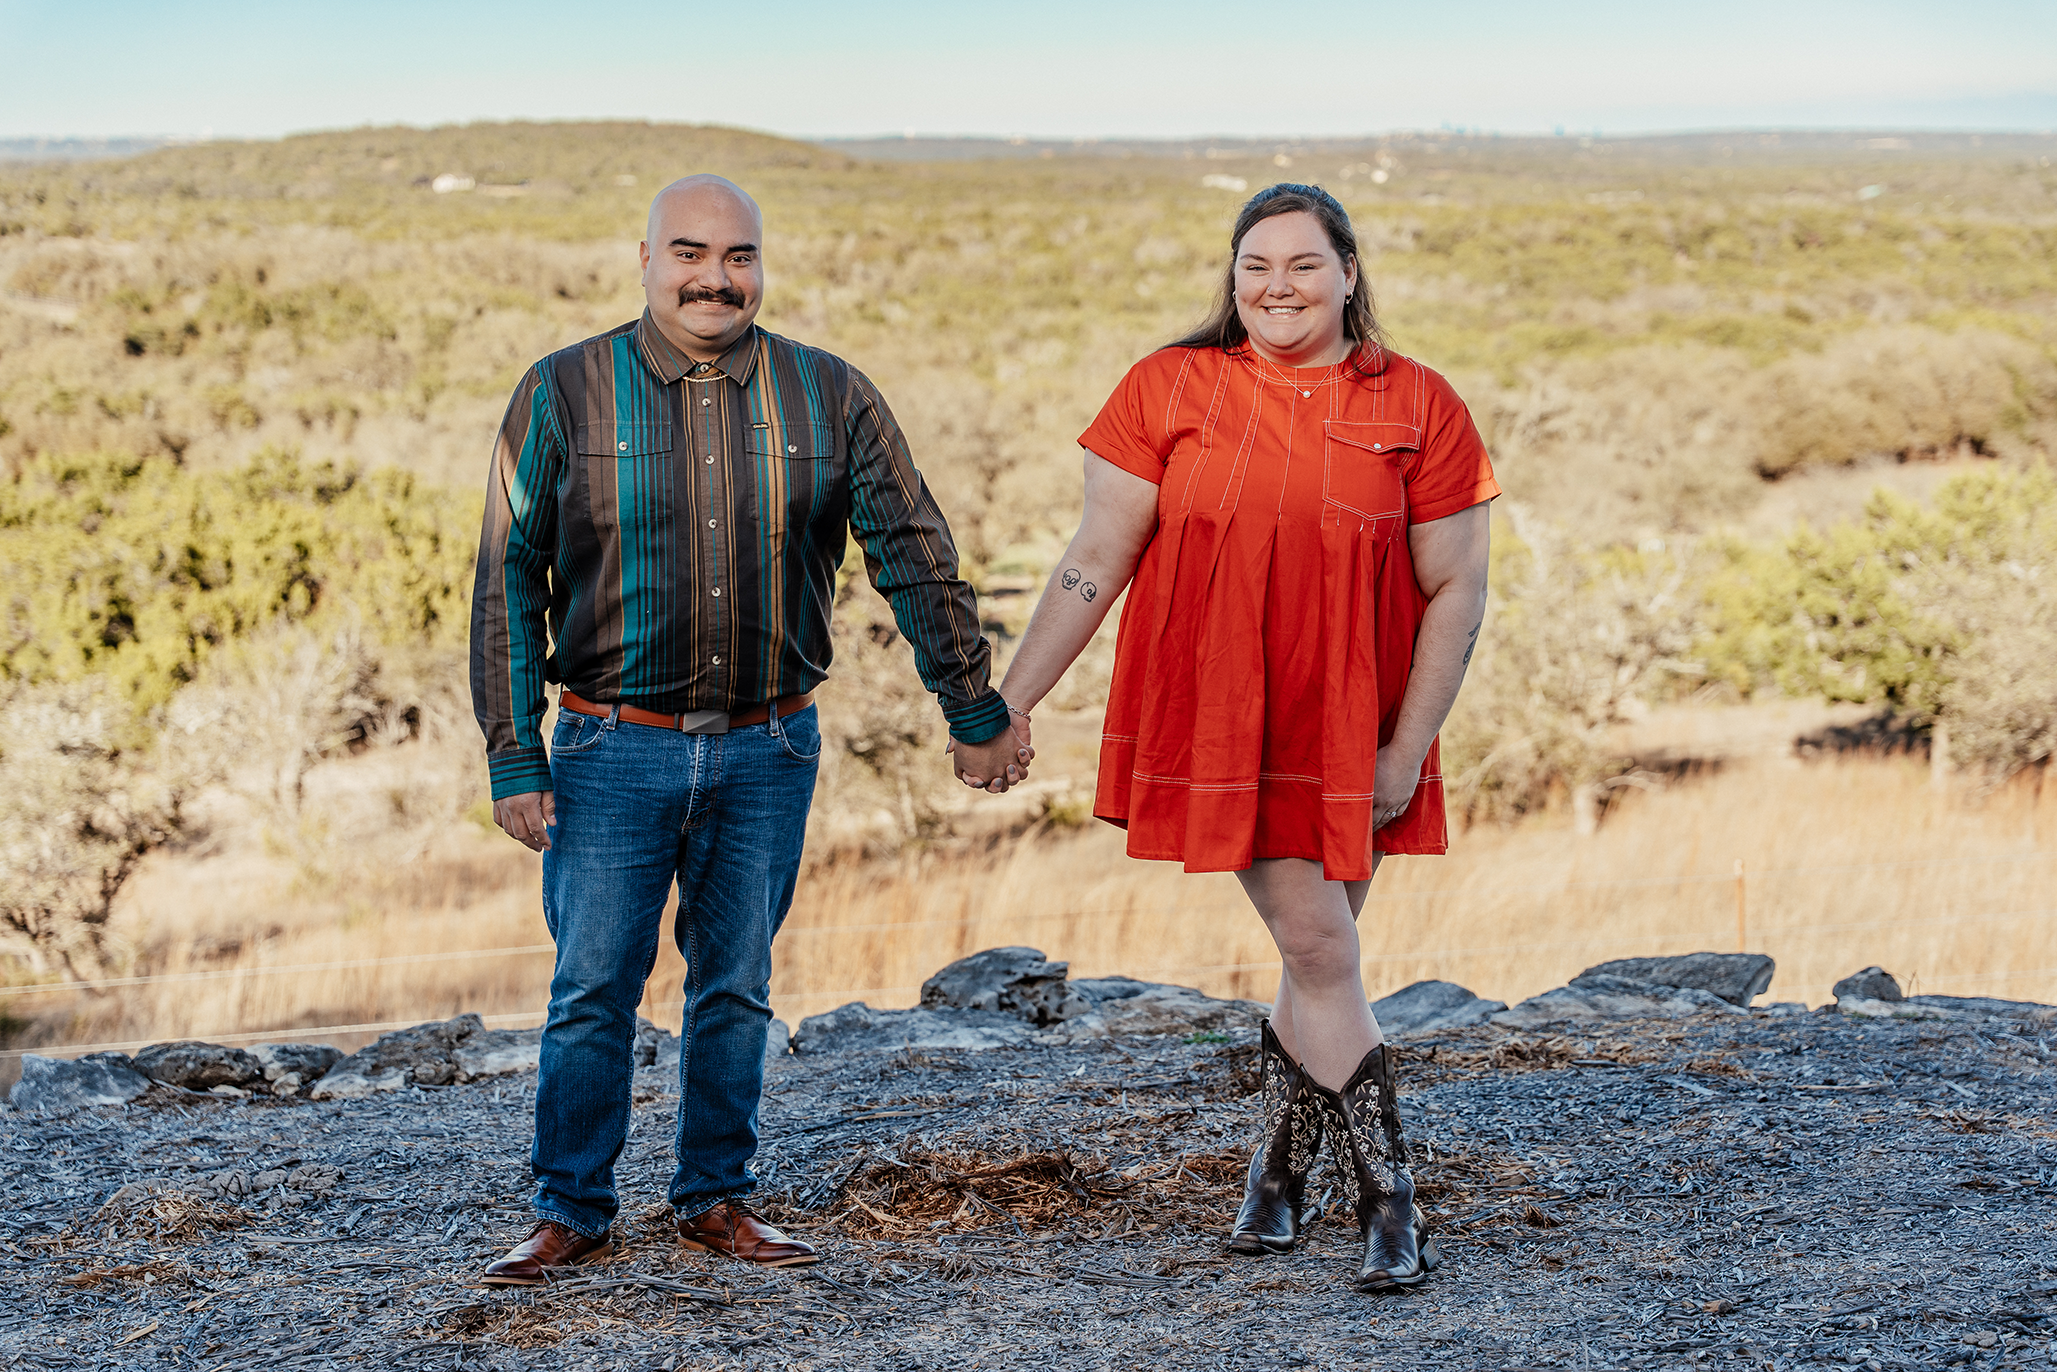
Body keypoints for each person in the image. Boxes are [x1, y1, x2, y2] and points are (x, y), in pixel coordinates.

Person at [469, 175, 1031, 1284]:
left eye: (738, 257)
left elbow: (909, 553)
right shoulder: (561, 393)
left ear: (760, 266)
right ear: (644, 259)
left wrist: (972, 709)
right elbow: (506, 580)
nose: (714, 277)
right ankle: (570, 1208)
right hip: (605, 746)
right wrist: (511, 751)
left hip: (768, 747)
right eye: (689, 252)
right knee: (592, 990)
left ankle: (715, 1199)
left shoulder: (830, 396)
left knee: (734, 984)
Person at [981, 183, 1495, 1293]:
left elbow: (1455, 589)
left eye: (1302, 264)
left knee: (1320, 964)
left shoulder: (1419, 403)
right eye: (1254, 265)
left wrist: (1404, 751)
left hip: (1359, 723)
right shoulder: (1168, 386)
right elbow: (1094, 558)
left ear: (1348, 273)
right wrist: (1007, 700)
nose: (1276, 286)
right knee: (1322, 951)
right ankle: (1388, 1195)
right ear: (1231, 277)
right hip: (1222, 719)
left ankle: (1271, 1176)